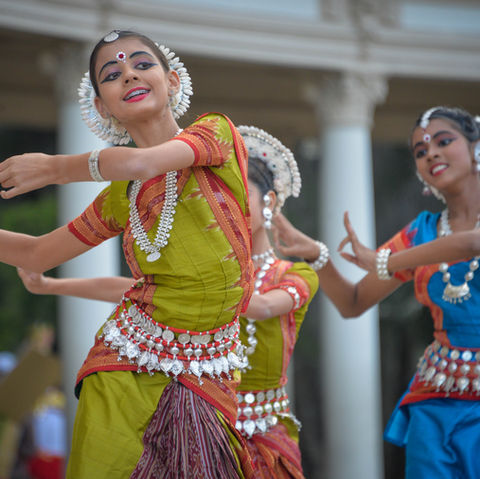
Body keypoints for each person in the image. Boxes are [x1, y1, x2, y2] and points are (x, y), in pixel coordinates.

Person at [0, 30, 256, 478]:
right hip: (127, 364)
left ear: (173, 80)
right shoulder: (123, 196)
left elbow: (143, 162)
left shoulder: (215, 133)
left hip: (210, 374)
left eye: (141, 64)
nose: (129, 75)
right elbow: (38, 253)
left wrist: (55, 167)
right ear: (102, 106)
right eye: (112, 74)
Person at [17, 125, 319, 479]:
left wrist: (196, 283)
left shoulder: (296, 275)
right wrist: (54, 285)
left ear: (268, 203)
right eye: (222, 196)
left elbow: (265, 308)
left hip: (265, 437)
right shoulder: (197, 273)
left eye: (240, 195)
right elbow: (131, 289)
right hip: (208, 412)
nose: (228, 204)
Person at [272, 106, 480, 478]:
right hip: (437, 399)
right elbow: (353, 303)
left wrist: (384, 261)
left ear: (476, 147)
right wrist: (318, 255)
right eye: (420, 151)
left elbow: (471, 244)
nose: (431, 153)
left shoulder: (421, 246)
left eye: (444, 141)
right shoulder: (421, 233)